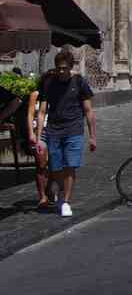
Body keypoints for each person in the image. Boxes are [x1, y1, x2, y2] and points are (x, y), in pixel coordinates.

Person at [36, 49, 96, 218]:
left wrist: (92, 136)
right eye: (58, 68)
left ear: (70, 67)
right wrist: (39, 137)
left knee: (70, 166)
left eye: (64, 68)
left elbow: (88, 110)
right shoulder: (49, 83)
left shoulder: (79, 82)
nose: (61, 71)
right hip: (54, 131)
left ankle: (66, 202)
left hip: (74, 131)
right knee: (55, 168)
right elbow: (42, 112)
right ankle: (58, 191)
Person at [25, 69, 56, 209]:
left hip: (55, 132)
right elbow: (30, 115)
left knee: (55, 165)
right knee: (41, 165)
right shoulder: (35, 94)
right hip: (39, 132)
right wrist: (31, 133)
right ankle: (42, 196)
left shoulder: (57, 95)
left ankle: (49, 189)